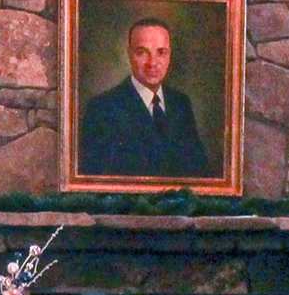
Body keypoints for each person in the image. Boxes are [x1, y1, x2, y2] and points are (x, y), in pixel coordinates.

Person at [77, 16, 213, 179]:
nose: (152, 63)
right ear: (129, 55)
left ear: (169, 55)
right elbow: (93, 183)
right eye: (142, 52)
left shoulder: (181, 103)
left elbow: (201, 173)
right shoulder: (102, 108)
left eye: (161, 52)